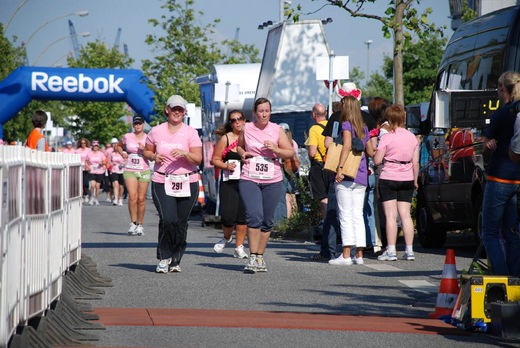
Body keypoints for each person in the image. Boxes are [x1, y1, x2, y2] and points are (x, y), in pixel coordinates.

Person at [143, 95, 202, 273]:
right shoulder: (156, 131)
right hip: (163, 180)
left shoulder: (191, 132)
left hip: (187, 180)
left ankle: (176, 258)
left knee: (181, 222)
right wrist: (154, 156)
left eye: (180, 109)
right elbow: (146, 151)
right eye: (174, 109)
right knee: (168, 219)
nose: (177, 112)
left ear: (184, 112)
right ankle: (164, 257)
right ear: (167, 110)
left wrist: (185, 154)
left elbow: (198, 159)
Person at [237, 97, 294, 273]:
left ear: (270, 112)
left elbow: (290, 152)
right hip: (250, 176)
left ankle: (260, 257)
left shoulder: (277, 130)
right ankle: (252, 256)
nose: (264, 114)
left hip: (273, 177)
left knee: (267, 220)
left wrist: (276, 150)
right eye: (261, 111)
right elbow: (238, 146)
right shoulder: (247, 128)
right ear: (255, 112)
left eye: (267, 111)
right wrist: (242, 153)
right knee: (254, 216)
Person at [329, 96, 375, 266]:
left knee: (345, 214)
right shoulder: (363, 127)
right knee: (357, 215)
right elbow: (370, 151)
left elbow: (346, 146)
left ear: (345, 107)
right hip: (361, 173)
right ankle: (359, 255)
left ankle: (346, 255)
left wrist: (339, 168)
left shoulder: (346, 125)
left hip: (347, 174)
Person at [482, 71, 520, 276]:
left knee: (489, 233)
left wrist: (487, 146)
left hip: (498, 178)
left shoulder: (500, 114)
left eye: (498, 88)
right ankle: (515, 278)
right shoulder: (518, 113)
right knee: (512, 232)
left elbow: (487, 149)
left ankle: (501, 277)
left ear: (503, 89)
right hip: (516, 178)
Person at [374, 104, 419, 261]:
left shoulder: (386, 137)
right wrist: (415, 180)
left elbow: (378, 160)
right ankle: (410, 250)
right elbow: (416, 163)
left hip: (389, 177)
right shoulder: (412, 137)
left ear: (389, 118)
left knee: (391, 216)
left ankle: (391, 250)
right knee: (406, 215)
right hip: (407, 178)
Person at [211, 110, 248, 259]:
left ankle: (239, 247)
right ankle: (227, 237)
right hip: (229, 182)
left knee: (242, 216)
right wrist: (226, 166)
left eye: (239, 119)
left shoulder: (250, 137)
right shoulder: (226, 139)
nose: (237, 122)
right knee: (227, 216)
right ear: (230, 123)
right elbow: (215, 159)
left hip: (246, 181)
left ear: (245, 120)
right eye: (233, 120)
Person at [117, 115, 151, 236]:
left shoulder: (148, 137)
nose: (138, 126)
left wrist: (145, 149)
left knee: (141, 199)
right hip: (130, 169)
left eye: (140, 124)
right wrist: (123, 153)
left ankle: (140, 225)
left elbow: (153, 153)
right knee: (132, 197)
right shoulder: (128, 136)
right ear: (133, 125)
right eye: (136, 124)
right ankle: (133, 223)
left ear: (143, 125)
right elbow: (119, 146)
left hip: (144, 169)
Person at [307, 103, 332, 238]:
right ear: (326, 114)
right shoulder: (332, 126)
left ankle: (325, 224)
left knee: (323, 199)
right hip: (332, 165)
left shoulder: (314, 129)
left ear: (314, 115)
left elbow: (312, 152)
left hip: (319, 165)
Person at [279, 123, 299, 218]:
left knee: (285, 196)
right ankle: (294, 218)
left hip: (282, 170)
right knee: (292, 195)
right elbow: (297, 157)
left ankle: (286, 219)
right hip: (293, 170)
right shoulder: (293, 142)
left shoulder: (280, 143)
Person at [86, 140, 107, 206]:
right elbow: (86, 161)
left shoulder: (101, 154)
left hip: (99, 170)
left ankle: (96, 199)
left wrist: (102, 163)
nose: (95, 147)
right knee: (92, 185)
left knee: (97, 186)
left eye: (97, 146)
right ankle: (91, 198)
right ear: (92, 146)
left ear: (98, 147)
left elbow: (104, 161)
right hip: (92, 170)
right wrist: (87, 167)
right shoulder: (89, 153)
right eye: (94, 146)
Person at [108, 138, 126, 206]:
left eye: (116, 144)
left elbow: (126, 161)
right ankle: (115, 199)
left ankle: (120, 198)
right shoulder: (111, 154)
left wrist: (123, 163)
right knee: (115, 184)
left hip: (122, 170)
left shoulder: (123, 153)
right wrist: (110, 165)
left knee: (121, 186)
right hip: (114, 170)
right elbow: (109, 162)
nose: (115, 146)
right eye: (113, 144)